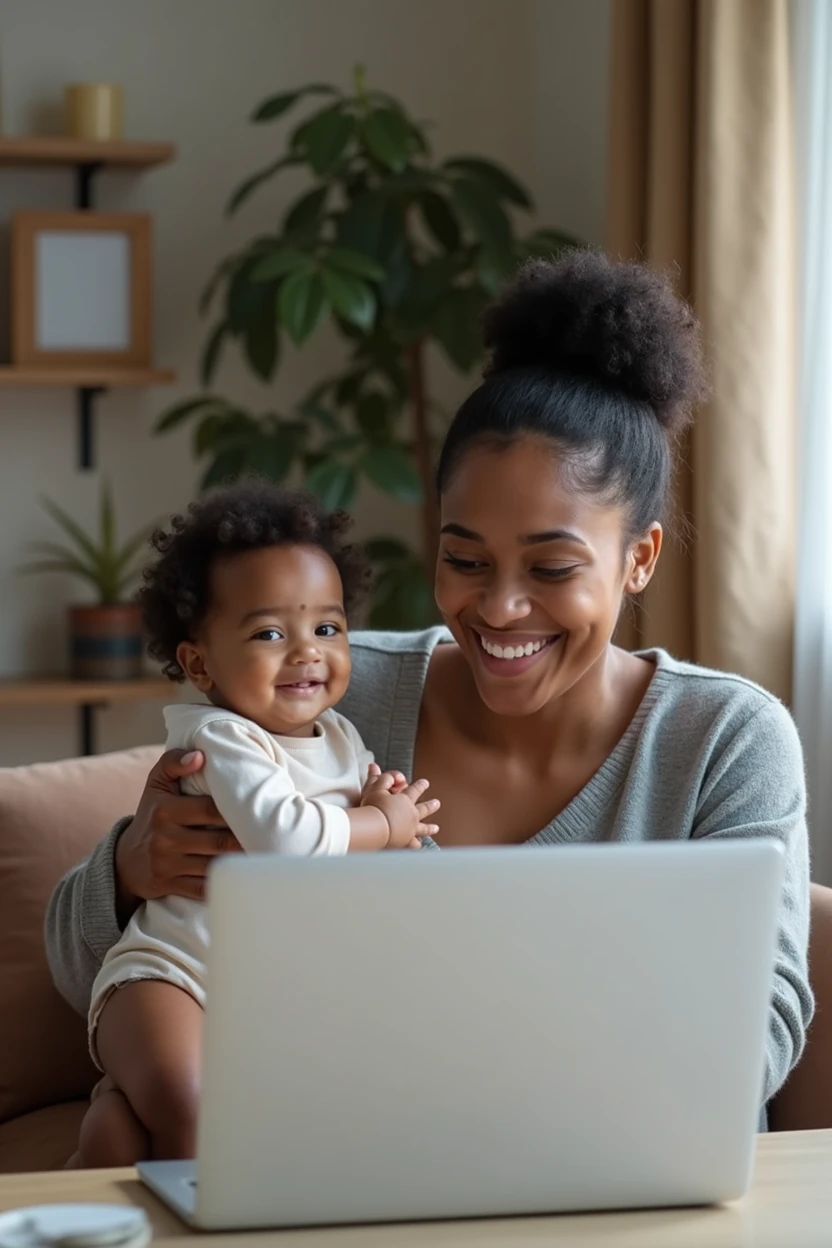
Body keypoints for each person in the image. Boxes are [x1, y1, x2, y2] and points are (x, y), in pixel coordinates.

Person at [47, 250, 813, 1136]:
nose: (499, 608)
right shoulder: (324, 692)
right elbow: (79, 963)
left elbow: (767, 1016)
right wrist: (132, 870)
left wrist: (554, 1098)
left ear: (639, 557)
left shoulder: (725, 738)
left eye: (552, 566)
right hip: (364, 1156)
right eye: (465, 559)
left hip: (611, 1154)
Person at [74, 484, 440, 1166]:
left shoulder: (341, 738)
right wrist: (380, 823)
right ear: (200, 663)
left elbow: (360, 872)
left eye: (327, 628)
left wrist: (380, 799)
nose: (306, 652)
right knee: (195, 1112)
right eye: (270, 633)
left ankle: (115, 1125)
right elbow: (290, 843)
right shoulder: (223, 737)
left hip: (267, 997)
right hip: (174, 977)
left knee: (168, 1129)